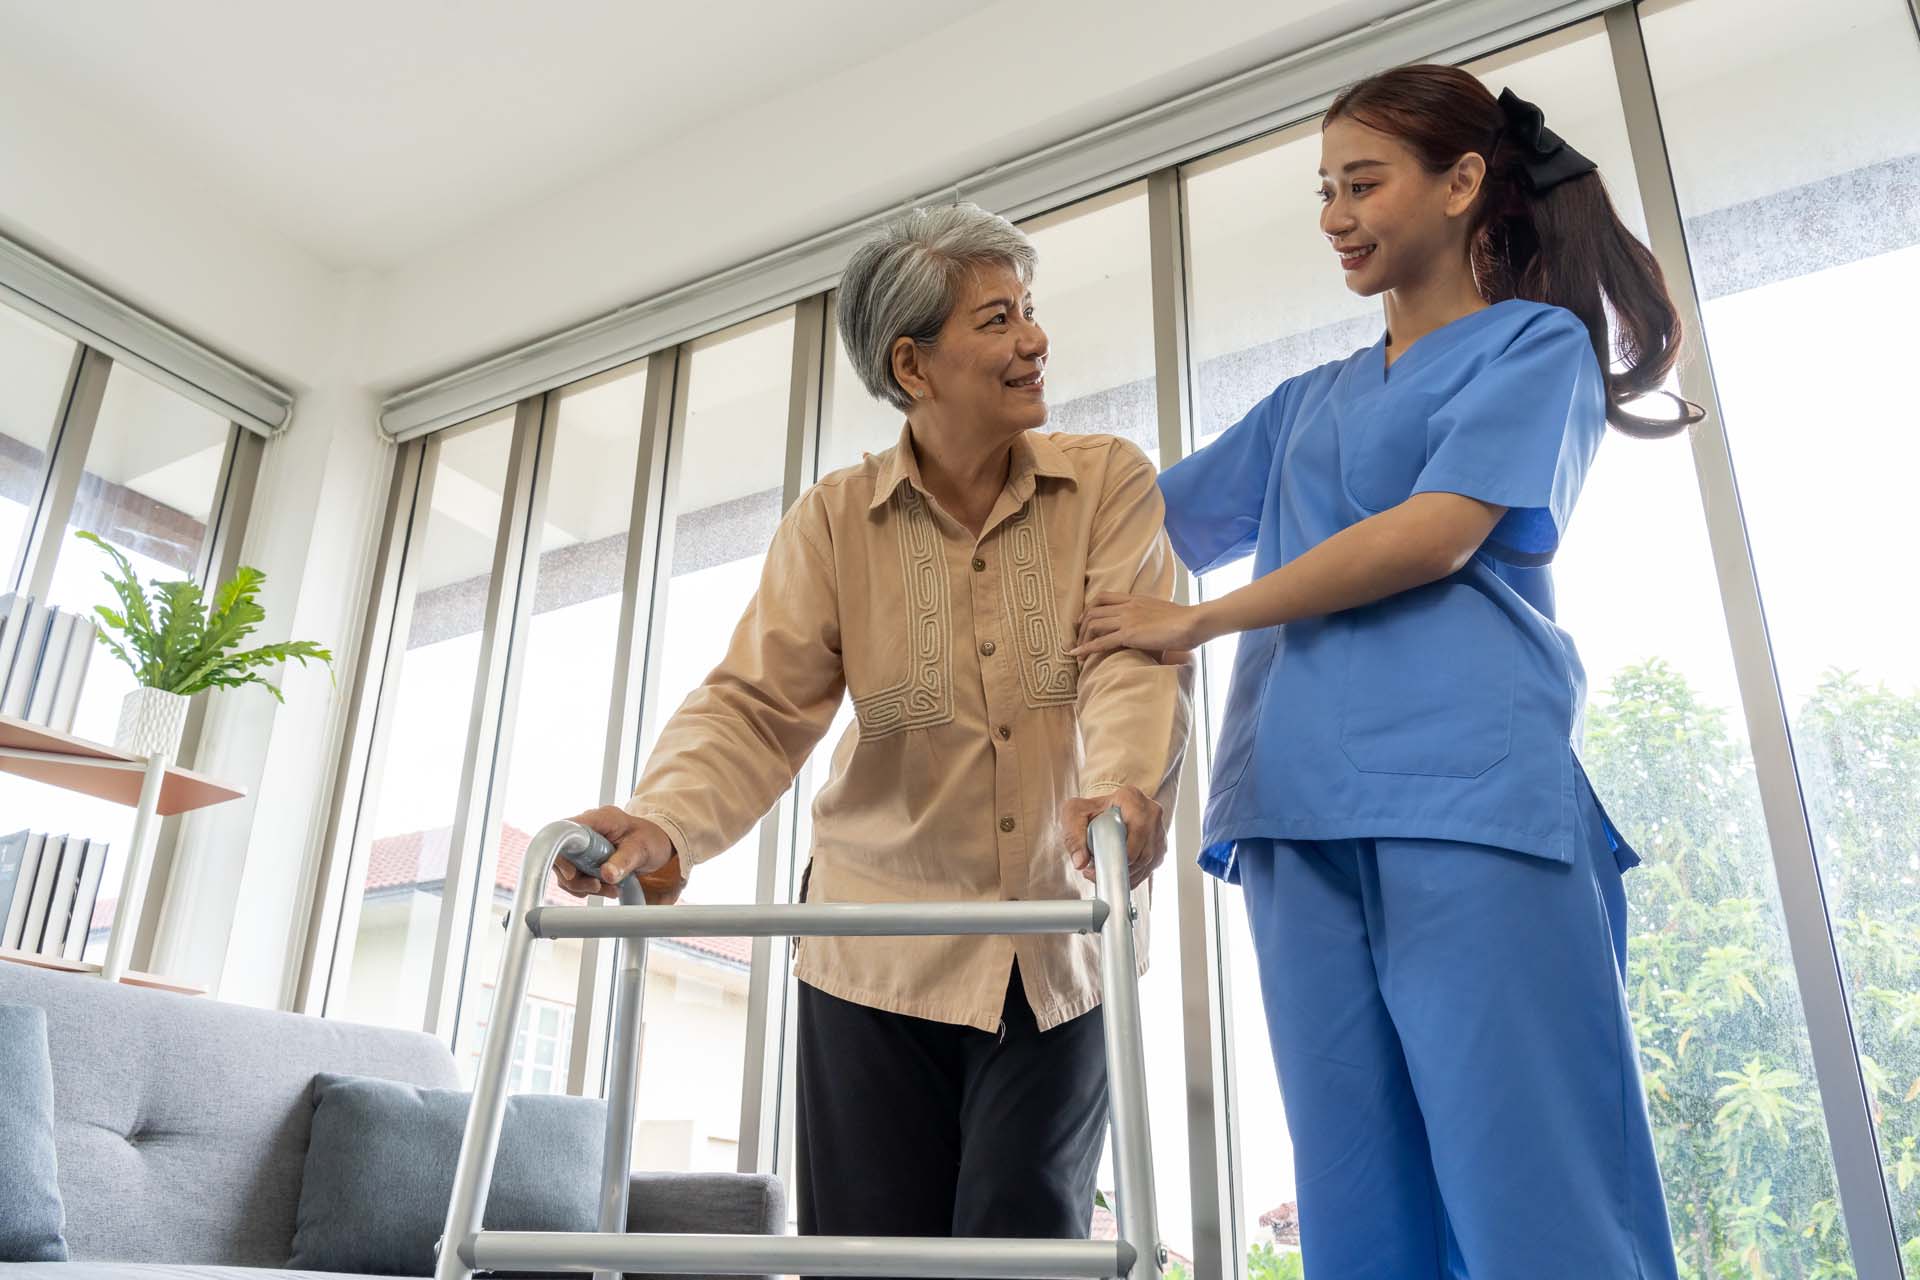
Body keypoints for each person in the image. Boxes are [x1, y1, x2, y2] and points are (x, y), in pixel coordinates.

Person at [1071, 65, 1696, 1280]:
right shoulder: (1308, 403)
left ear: (1464, 184)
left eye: (1363, 184)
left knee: (1537, 1196)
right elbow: (1131, 525)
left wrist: (1200, 622)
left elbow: (1437, 530)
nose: (1335, 217)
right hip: (1295, 824)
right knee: (1358, 1212)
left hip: (1470, 809)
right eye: (1325, 191)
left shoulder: (1534, 346)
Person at [553, 202, 1191, 1262]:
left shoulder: (1107, 481)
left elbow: (1131, 660)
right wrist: (664, 820)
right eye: (998, 319)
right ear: (915, 363)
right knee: (871, 1252)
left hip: (1056, 939)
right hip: (873, 950)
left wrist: (1123, 789)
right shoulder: (834, 520)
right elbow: (756, 703)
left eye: (1029, 312)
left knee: (1026, 1241)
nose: (1034, 337)